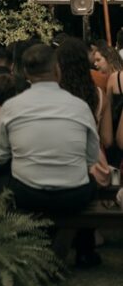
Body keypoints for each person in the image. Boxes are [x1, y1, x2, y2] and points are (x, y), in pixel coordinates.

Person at [0, 44, 101, 266]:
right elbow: (91, 158)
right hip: (73, 195)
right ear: (57, 69)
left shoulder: (11, 107)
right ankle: (85, 250)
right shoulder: (79, 106)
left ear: (25, 73)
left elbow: (1, 156)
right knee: (91, 182)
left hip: (27, 193)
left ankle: (1, 244)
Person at [56, 37, 112, 186]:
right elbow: (107, 140)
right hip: (93, 169)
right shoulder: (99, 95)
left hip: (62, 166)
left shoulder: (55, 94)